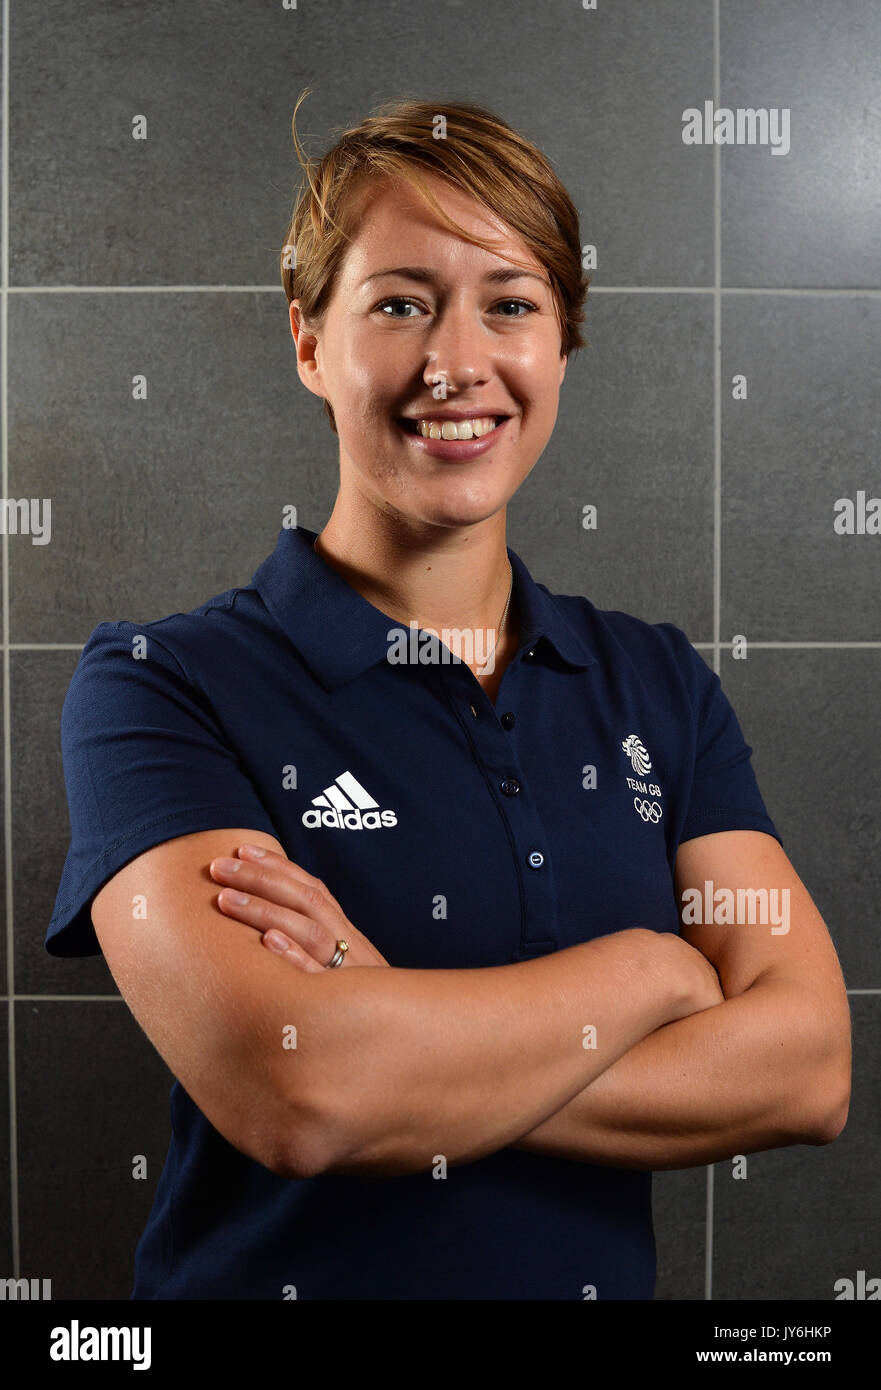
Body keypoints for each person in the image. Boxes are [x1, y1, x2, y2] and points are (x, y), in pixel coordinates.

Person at [46, 93, 851, 1301]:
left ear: (561, 343)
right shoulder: (161, 687)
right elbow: (298, 1091)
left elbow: (806, 1069)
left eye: (510, 303)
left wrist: (395, 1043)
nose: (456, 362)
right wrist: (651, 973)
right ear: (309, 340)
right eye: (399, 303)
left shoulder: (657, 685)